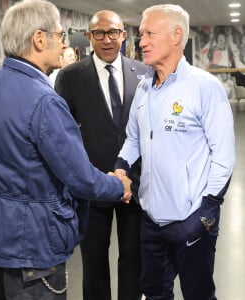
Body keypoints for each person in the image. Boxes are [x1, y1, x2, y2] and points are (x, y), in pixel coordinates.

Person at [0, 1, 133, 299]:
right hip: (31, 243)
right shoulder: (44, 101)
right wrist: (117, 185)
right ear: (40, 39)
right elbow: (80, 178)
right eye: (60, 35)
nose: (65, 43)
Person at [114, 4, 235, 300]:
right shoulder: (143, 88)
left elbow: (224, 157)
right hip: (151, 221)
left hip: (191, 220)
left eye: (150, 34)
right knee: (154, 293)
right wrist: (120, 168)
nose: (141, 41)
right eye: (141, 34)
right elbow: (133, 138)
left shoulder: (205, 87)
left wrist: (206, 214)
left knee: (198, 294)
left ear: (176, 35)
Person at [55, 10, 147, 300]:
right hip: (91, 186)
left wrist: (133, 177)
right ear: (89, 36)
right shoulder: (70, 77)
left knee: (134, 258)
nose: (106, 40)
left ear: (123, 35)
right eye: (98, 33)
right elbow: (64, 135)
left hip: (135, 183)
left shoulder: (143, 73)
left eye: (112, 33)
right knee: (93, 262)